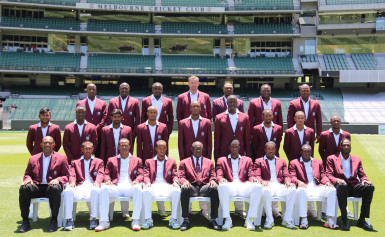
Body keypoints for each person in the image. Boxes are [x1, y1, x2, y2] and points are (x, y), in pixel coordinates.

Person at [18, 136, 69, 233]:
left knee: (55, 188)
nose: (47, 145)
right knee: (24, 188)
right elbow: (27, 174)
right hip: (37, 186)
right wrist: (28, 179)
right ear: (41, 145)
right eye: (45, 143)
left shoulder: (61, 158)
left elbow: (67, 175)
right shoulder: (33, 158)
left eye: (50, 143)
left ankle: (54, 220)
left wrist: (58, 179)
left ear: (54, 145)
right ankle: (25, 221)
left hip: (51, 187)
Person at [95, 138, 144, 232]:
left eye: (126, 145)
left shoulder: (137, 160)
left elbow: (141, 174)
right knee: (104, 189)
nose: (124, 147)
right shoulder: (111, 160)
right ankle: (104, 221)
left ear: (130, 146)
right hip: (116, 186)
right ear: (118, 147)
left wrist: (137, 180)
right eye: (122, 145)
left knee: (138, 189)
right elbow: (106, 173)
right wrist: (108, 180)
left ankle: (135, 220)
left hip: (130, 186)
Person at [326, 138, 374, 231]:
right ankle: (344, 220)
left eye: (348, 145)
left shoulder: (357, 159)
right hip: (341, 187)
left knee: (369, 187)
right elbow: (329, 174)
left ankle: (362, 220)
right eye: (344, 145)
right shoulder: (332, 158)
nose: (346, 147)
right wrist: (337, 180)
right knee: (341, 186)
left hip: (353, 186)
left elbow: (362, 174)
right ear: (341, 147)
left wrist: (365, 180)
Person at [216, 139, 262, 231]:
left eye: (236, 146)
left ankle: (249, 220)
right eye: (232, 146)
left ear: (240, 148)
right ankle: (228, 219)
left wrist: (252, 178)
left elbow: (250, 174)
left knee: (258, 187)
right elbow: (219, 175)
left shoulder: (247, 160)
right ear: (229, 147)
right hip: (230, 185)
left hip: (243, 185)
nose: (234, 148)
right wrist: (221, 179)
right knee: (221, 186)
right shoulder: (222, 160)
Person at [289, 144, 338, 229]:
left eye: (309, 151)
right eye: (305, 151)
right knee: (300, 191)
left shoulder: (318, 162)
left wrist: (326, 181)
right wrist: (298, 182)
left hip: (316, 186)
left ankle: (329, 219)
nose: (307, 153)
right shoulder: (294, 162)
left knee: (332, 190)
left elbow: (323, 175)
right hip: (304, 187)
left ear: (311, 152)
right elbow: (292, 176)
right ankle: (304, 219)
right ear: (301, 152)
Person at [178, 141, 221, 231]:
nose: (198, 150)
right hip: (191, 187)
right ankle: (185, 219)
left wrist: (212, 180)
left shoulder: (209, 162)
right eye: (196, 148)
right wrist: (184, 181)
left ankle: (213, 219)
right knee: (184, 188)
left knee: (214, 188)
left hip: (204, 187)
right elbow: (181, 176)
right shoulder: (184, 162)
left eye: (200, 148)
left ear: (202, 150)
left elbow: (213, 175)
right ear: (191, 149)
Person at [254, 142, 296, 229]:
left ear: (275, 150)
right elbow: (257, 175)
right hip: (267, 185)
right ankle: (269, 220)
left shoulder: (282, 161)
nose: (271, 151)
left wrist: (287, 181)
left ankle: (287, 219)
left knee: (293, 190)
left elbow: (286, 175)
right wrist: (262, 181)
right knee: (265, 191)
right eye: (269, 149)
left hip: (279, 185)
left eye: (272, 149)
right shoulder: (259, 161)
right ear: (265, 150)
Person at [63, 141, 104, 231]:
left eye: (90, 148)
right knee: (67, 191)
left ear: (93, 149)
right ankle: (69, 219)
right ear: (82, 149)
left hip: (92, 185)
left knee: (95, 190)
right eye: (86, 148)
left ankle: (93, 219)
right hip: (80, 185)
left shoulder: (99, 161)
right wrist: (72, 182)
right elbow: (72, 174)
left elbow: (100, 174)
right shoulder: (75, 162)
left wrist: (97, 182)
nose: (88, 150)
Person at [142, 140, 181, 229]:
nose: (162, 150)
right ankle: (148, 219)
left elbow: (175, 174)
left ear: (166, 148)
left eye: (164, 148)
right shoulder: (149, 161)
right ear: (156, 149)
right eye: (160, 148)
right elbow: (146, 175)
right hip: (153, 185)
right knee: (146, 191)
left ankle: (173, 219)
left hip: (167, 185)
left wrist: (175, 181)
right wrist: (147, 182)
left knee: (177, 191)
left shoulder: (172, 161)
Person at [214, 95, 250, 162]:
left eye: (234, 102)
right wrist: (216, 155)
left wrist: (247, 153)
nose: (232, 104)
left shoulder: (245, 117)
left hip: (240, 150)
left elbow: (246, 138)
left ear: (237, 103)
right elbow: (217, 138)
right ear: (227, 103)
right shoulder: (219, 117)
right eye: (230, 102)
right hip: (224, 151)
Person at [76, 83, 107, 157]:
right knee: (84, 154)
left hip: (99, 133)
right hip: (85, 133)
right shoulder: (80, 103)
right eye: (89, 89)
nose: (91, 91)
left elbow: (104, 116)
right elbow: (79, 117)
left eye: (93, 89)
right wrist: (89, 129)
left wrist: (97, 127)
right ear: (86, 90)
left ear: (96, 91)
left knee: (99, 154)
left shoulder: (102, 103)